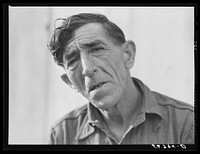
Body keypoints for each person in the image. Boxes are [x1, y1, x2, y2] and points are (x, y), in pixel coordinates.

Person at [48, 13, 194, 144]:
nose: (86, 69)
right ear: (70, 82)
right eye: (73, 60)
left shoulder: (185, 124)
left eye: (97, 49)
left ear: (128, 55)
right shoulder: (63, 135)